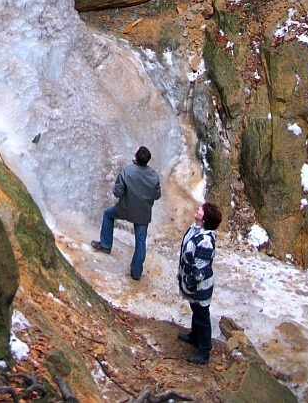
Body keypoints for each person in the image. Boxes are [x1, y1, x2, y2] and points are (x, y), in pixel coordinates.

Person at [91, 146, 161, 281]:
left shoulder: (127, 172)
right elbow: (157, 195)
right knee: (140, 241)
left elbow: (117, 192)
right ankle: (136, 272)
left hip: (125, 208)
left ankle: (105, 245)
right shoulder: (154, 175)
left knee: (108, 215)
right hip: (143, 213)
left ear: (136, 157)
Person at [177, 201, 223, 364]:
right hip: (193, 284)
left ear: (204, 220)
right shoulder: (195, 229)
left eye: (201, 210)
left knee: (202, 315)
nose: (198, 209)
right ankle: (194, 336)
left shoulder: (205, 241)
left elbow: (199, 271)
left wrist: (188, 282)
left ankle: (204, 350)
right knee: (196, 310)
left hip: (200, 286)